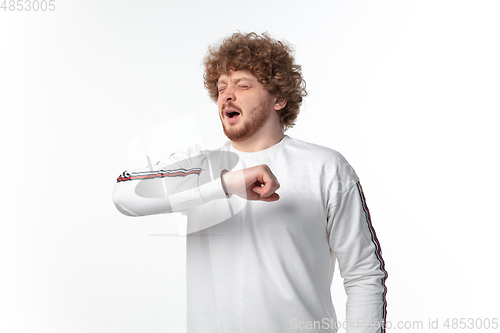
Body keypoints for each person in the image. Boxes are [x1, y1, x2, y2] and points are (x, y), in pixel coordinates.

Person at [113, 32, 388, 333]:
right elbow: (126, 194)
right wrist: (226, 184)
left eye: (243, 85)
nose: (227, 95)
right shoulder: (199, 165)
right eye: (221, 88)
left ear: (279, 99)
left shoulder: (327, 167)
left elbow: (363, 274)